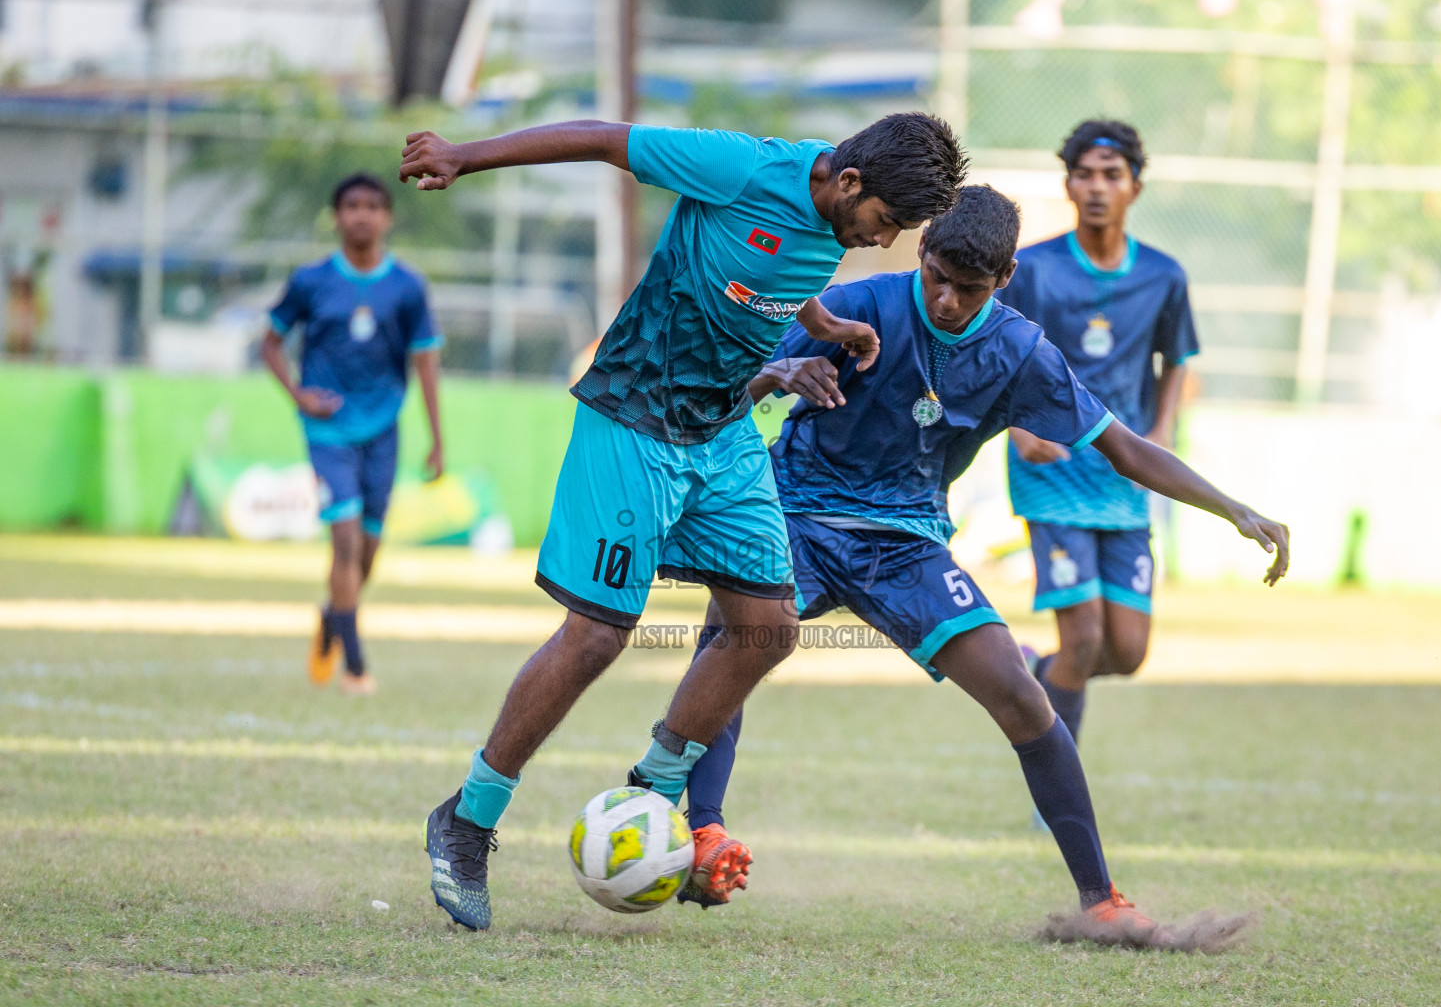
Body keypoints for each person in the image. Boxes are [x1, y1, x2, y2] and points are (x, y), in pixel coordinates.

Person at [673, 186, 1288, 944]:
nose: (948, 298)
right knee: (731, 653)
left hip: (906, 544)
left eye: (969, 288)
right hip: (792, 515)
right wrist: (778, 377)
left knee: (1024, 700)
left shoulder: (1020, 351)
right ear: (922, 255)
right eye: (937, 276)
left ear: (1002, 281)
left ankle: (1101, 900)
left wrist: (1235, 508)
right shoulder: (858, 303)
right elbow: (725, 382)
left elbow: (1124, 446)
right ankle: (703, 834)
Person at [400, 114, 968, 930]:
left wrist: (824, 326)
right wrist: (463, 157)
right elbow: (603, 137)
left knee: (769, 625)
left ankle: (657, 788)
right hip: (632, 414)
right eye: (884, 223)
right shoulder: (738, 166)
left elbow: (773, 268)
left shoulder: (830, 220)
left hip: (722, 431)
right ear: (848, 183)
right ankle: (468, 818)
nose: (883, 243)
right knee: (597, 636)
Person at [998, 120, 1194, 748]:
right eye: (1084, 174)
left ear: (1135, 186)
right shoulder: (1032, 268)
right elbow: (997, 353)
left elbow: (1177, 361)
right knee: (1082, 639)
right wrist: (1019, 425)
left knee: (1127, 651)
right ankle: (1058, 782)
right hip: (1051, 471)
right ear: (1068, 185)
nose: (1097, 187)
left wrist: (1162, 430)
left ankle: (1038, 676)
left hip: (1125, 473)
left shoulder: (1164, 276)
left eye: (1112, 175)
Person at [260, 172, 444, 696]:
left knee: (367, 550)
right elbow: (270, 343)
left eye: (372, 205)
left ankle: (332, 617)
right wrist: (298, 395)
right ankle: (356, 665)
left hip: (383, 429)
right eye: (351, 205)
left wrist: (437, 437)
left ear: (387, 217)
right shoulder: (310, 281)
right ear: (337, 216)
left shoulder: (407, 287)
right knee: (342, 541)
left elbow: (426, 361)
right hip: (328, 431)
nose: (361, 214)